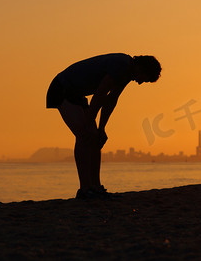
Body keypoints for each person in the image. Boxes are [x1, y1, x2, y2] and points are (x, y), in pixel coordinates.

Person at [46, 53, 162, 199]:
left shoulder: (127, 74)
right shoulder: (122, 65)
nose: (140, 83)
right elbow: (100, 94)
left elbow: (111, 100)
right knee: (84, 135)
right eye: (144, 79)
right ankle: (84, 189)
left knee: (95, 138)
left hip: (76, 94)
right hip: (62, 88)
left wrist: (101, 129)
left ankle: (95, 187)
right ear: (142, 69)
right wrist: (89, 121)